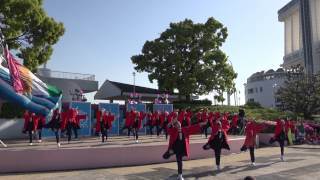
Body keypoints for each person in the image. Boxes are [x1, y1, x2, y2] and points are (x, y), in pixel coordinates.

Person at [162, 114, 205, 180]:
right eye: (177, 124)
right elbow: (168, 127)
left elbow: (193, 127)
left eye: (179, 124)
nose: (179, 125)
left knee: (179, 161)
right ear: (175, 126)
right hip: (174, 148)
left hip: (181, 149)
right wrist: (172, 122)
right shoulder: (173, 130)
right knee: (165, 156)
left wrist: (201, 124)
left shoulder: (185, 129)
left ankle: (180, 175)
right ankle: (168, 153)